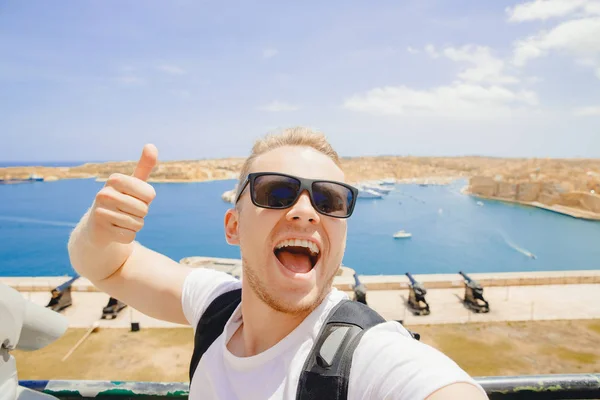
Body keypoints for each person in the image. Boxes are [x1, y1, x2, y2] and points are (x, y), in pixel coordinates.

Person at [67, 127, 489, 399]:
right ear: (233, 226)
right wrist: (100, 230)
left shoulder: (365, 356)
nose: (306, 212)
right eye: (276, 193)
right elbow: (108, 266)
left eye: (329, 200)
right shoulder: (217, 309)